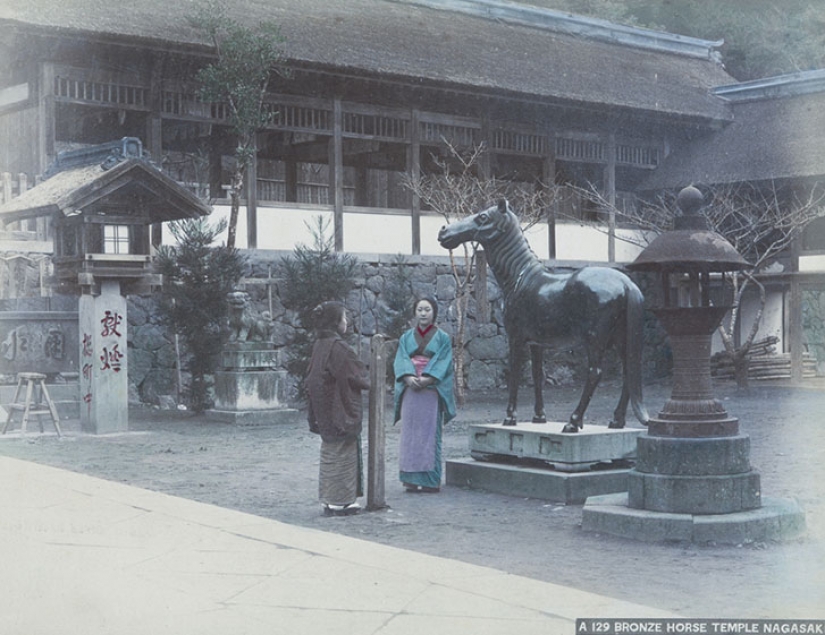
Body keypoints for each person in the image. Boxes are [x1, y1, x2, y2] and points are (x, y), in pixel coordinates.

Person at [305, 301, 370, 516]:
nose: (346, 321)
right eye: (343, 317)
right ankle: (340, 501)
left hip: (323, 407)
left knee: (330, 450)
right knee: (343, 451)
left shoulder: (320, 345)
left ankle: (329, 498)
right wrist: (369, 379)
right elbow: (355, 375)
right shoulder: (339, 347)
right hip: (338, 406)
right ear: (335, 322)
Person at [393, 295, 456, 493]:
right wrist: (407, 376)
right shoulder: (406, 337)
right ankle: (410, 480)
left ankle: (429, 480)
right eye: (419, 309)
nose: (423, 313)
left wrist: (428, 378)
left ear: (434, 312)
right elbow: (401, 359)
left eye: (427, 310)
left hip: (431, 390)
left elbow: (444, 361)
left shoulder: (443, 338)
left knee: (429, 434)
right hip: (411, 388)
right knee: (410, 434)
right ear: (415, 312)